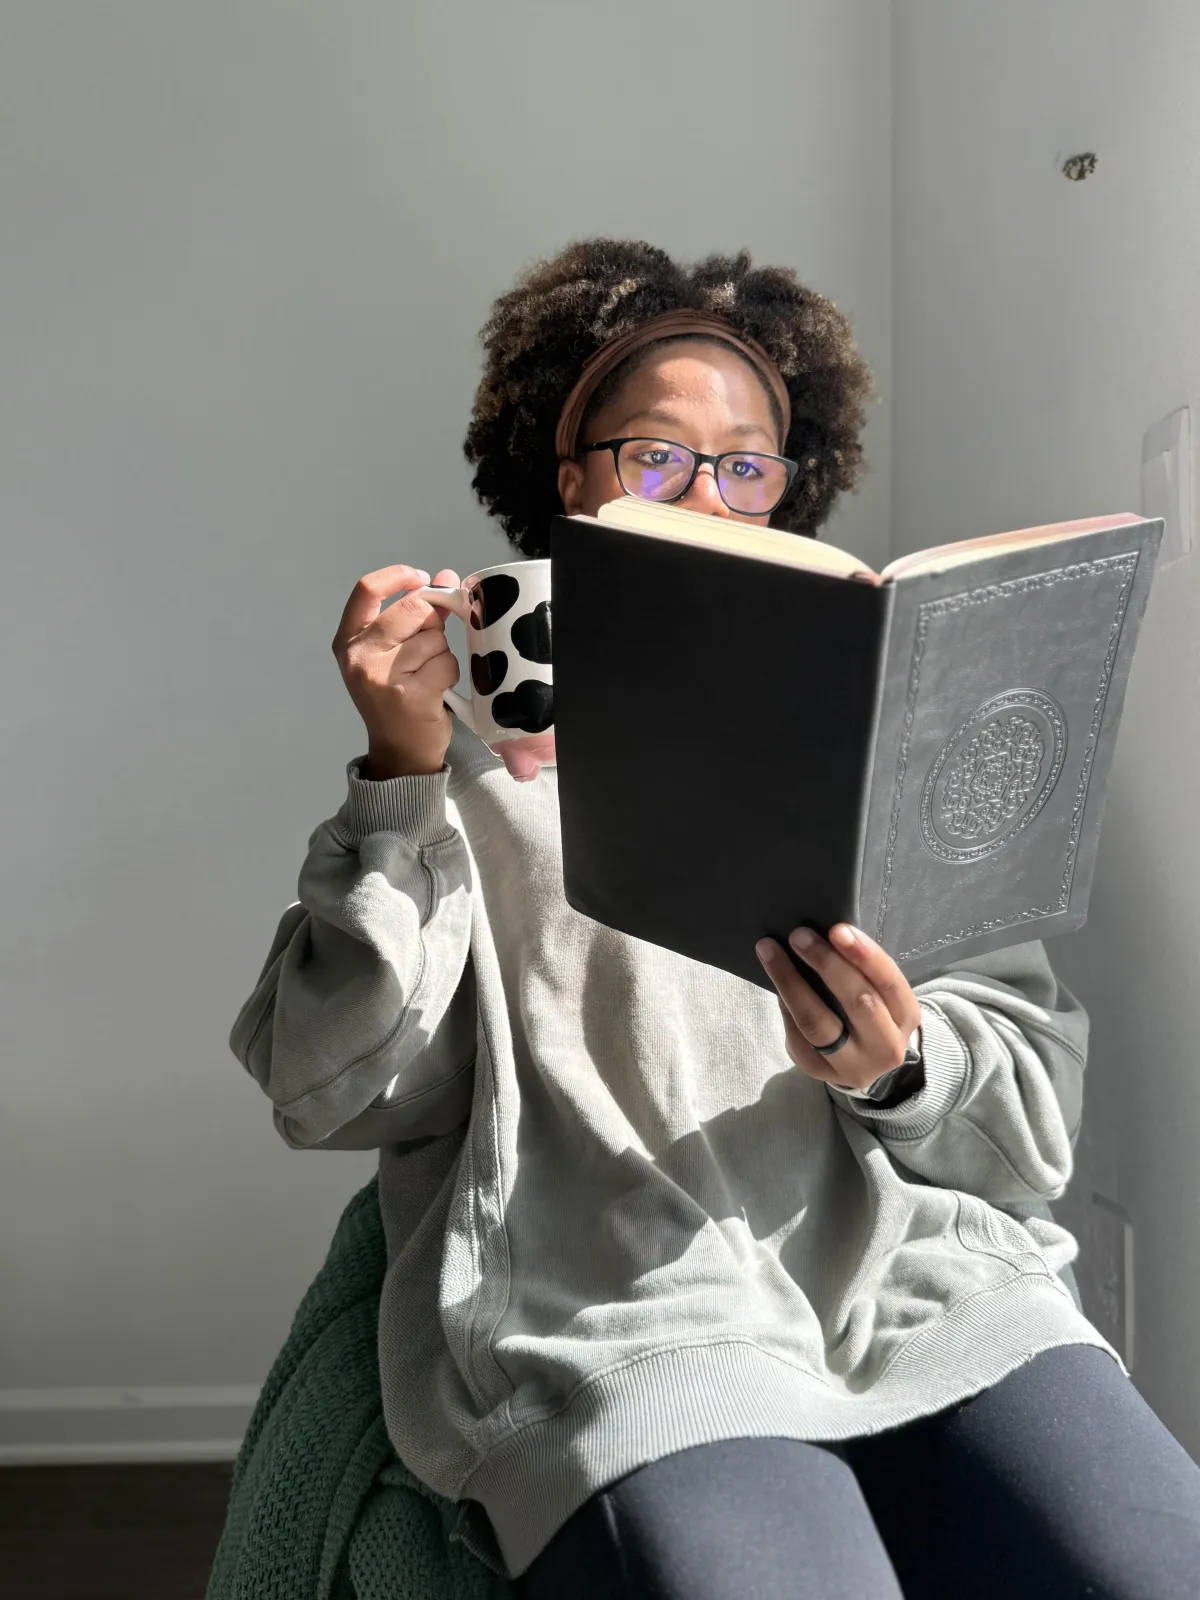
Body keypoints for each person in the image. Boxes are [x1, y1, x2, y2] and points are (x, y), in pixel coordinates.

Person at [230, 238, 1200, 1599]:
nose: (709, 494)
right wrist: (394, 781)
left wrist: (898, 1064)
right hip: (629, 1317)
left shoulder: (888, 739)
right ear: (568, 481)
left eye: (748, 464)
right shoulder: (449, 754)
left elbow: (1030, 1119)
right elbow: (325, 1087)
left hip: (939, 1295)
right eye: (657, 456)